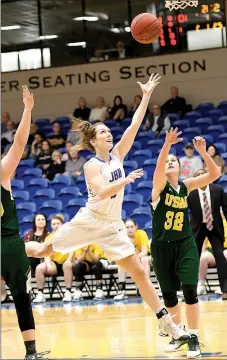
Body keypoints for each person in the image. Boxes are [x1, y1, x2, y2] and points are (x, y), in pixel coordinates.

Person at [25, 74, 189, 342]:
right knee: (44, 249)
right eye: (103, 132)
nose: (109, 133)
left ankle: (166, 323)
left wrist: (147, 95)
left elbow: (134, 124)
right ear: (93, 141)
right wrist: (125, 179)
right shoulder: (92, 165)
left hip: (112, 226)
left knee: (138, 271)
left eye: (109, 130)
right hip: (90, 220)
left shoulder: (117, 155)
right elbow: (101, 191)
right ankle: (11, 247)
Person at [150, 128, 221, 357]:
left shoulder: (186, 186)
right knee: (169, 296)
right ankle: (178, 334)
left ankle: (193, 337)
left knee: (190, 290)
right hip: (161, 248)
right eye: (168, 161)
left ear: (181, 168)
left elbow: (214, 174)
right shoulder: (159, 187)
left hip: (185, 245)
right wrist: (167, 145)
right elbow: (159, 167)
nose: (170, 162)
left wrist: (202, 152)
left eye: (174, 161)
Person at [1, 86, 47, 359]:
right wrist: (27, 110)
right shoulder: (2, 173)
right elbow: (19, 144)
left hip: (8, 243)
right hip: (8, 244)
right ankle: (31, 352)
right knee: (21, 298)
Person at [187, 169, 227, 300]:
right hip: (198, 228)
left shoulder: (217, 189)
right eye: (197, 176)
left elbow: (226, 209)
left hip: (215, 227)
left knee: (220, 256)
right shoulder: (191, 194)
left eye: (203, 175)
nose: (200, 177)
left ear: (208, 177)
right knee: (193, 257)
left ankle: (225, 289)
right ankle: (191, 290)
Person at [33, 215, 69, 303]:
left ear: (62, 224)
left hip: (67, 261)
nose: (56, 225)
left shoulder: (68, 235)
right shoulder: (49, 237)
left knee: (68, 265)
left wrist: (69, 260)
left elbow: (73, 250)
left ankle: (68, 292)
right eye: (54, 224)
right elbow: (46, 254)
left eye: (58, 223)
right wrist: (48, 264)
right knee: (39, 268)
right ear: (51, 226)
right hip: (55, 263)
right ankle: (40, 293)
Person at [114, 219, 152, 301]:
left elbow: (144, 252)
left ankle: (146, 289)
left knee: (144, 259)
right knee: (121, 264)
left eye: (131, 227)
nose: (130, 229)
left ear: (136, 227)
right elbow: (122, 254)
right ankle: (122, 291)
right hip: (130, 259)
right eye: (127, 227)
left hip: (142, 257)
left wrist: (133, 247)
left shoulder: (141, 233)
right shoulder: (123, 237)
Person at [197, 216, 227, 296]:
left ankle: (224, 286)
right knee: (203, 257)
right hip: (212, 250)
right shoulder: (212, 222)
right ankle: (201, 286)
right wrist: (201, 252)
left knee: (224, 254)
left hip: (225, 249)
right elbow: (204, 240)